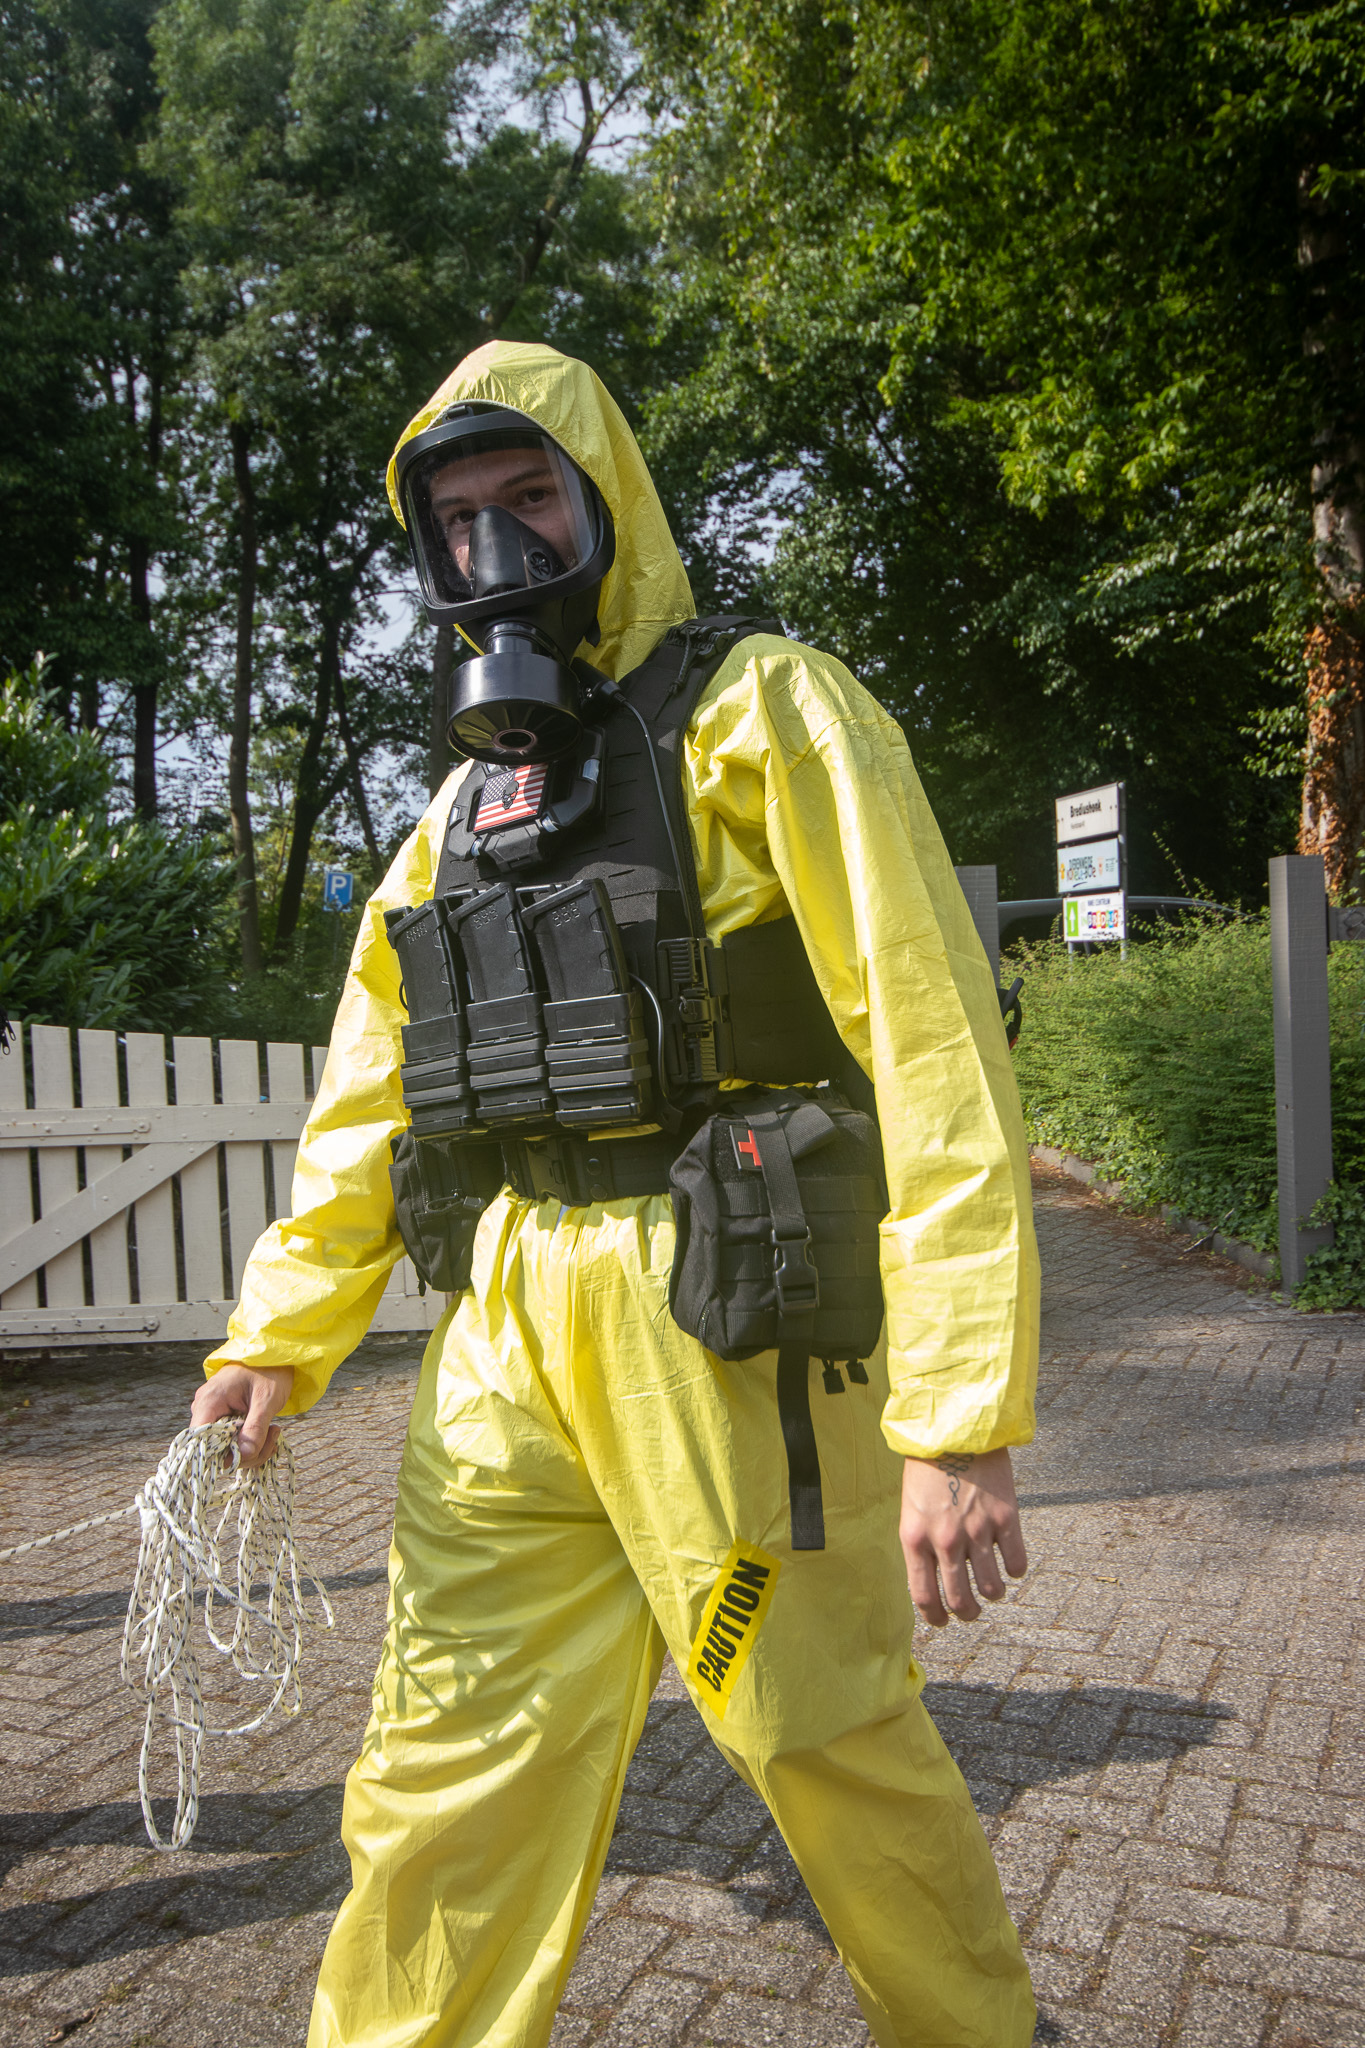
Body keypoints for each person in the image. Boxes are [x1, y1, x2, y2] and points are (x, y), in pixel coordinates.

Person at [191, 339, 1041, 2048]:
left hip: (723, 1306)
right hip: (501, 1322)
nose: (496, 551)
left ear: (605, 503)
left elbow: (929, 1035)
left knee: (815, 1730)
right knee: (444, 1761)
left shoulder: (764, 707)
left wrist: (957, 1408)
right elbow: (371, 1085)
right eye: (456, 524)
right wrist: (282, 1332)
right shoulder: (455, 809)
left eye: (529, 502)